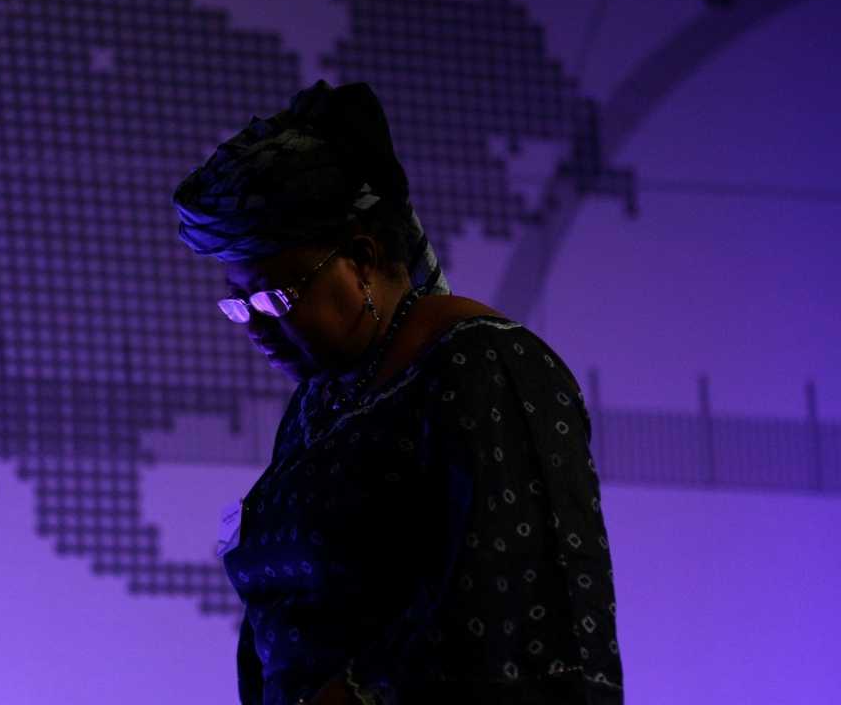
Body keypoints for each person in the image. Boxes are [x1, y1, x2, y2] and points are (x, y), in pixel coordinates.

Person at [172, 79, 624, 705]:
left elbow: (518, 610)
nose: (254, 324)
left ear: (360, 257)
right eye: (237, 303)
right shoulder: (317, 404)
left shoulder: (485, 368)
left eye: (275, 296)